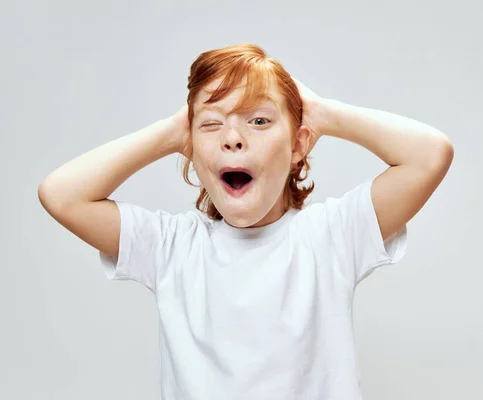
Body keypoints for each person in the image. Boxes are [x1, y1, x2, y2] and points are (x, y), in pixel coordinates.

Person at [38, 43, 454, 400]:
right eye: (212, 125)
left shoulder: (331, 236)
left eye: (258, 120)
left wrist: (322, 113)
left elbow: (430, 155)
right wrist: (173, 132)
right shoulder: (171, 248)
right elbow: (61, 194)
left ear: (298, 145)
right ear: (191, 149)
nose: (233, 137)